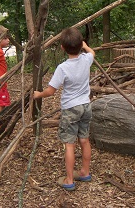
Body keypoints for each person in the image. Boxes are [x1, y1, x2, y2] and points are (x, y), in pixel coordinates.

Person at [33, 27, 95, 191]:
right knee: (84, 139)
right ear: (80, 44)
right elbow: (92, 53)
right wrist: (85, 46)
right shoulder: (86, 59)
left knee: (69, 144)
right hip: (86, 106)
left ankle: (69, 180)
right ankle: (84, 172)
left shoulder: (63, 68)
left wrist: (39, 94)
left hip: (71, 109)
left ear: (62, 47)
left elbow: (51, 90)